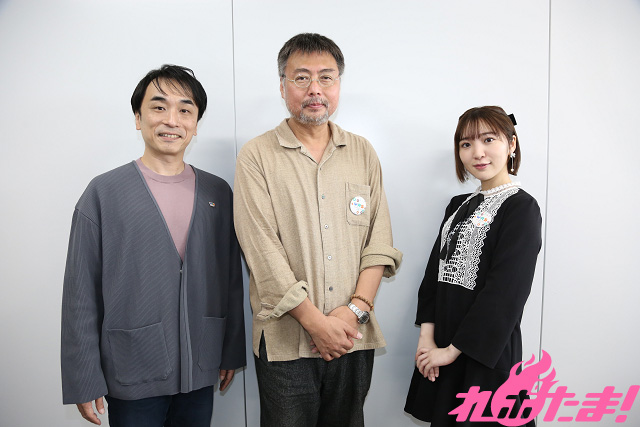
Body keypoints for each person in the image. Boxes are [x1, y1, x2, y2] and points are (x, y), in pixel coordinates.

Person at [61, 64, 246, 426]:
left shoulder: (218, 192)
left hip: (200, 364)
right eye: (159, 107)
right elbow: (80, 293)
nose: (171, 120)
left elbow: (231, 281)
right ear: (138, 117)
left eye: (185, 110)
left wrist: (230, 351)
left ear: (196, 123)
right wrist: (84, 376)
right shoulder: (104, 193)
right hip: (131, 368)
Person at [233, 33, 402, 427]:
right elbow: (261, 251)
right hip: (285, 342)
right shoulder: (256, 156)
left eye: (326, 77)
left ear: (338, 84)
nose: (315, 89)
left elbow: (379, 242)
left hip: (351, 337)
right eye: (301, 78)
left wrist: (354, 311)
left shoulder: (362, 152)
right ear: (282, 86)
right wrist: (317, 323)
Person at [404, 106, 541, 426]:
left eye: (488, 140)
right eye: (466, 144)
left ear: (511, 144)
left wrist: (453, 351)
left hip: (486, 352)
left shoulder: (521, 208)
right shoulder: (457, 205)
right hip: (443, 348)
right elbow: (434, 277)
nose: (477, 152)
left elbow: (505, 293)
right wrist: (427, 341)